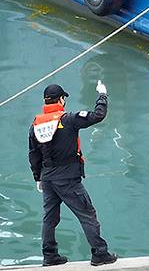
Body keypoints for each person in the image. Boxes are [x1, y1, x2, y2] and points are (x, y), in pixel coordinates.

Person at [28, 82, 118, 266]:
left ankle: (50, 256)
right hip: (68, 178)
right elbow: (98, 115)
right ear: (61, 100)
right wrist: (102, 95)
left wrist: (38, 177)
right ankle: (100, 253)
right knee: (87, 214)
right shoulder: (68, 119)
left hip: (48, 178)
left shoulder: (36, 124)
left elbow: (33, 154)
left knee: (49, 218)